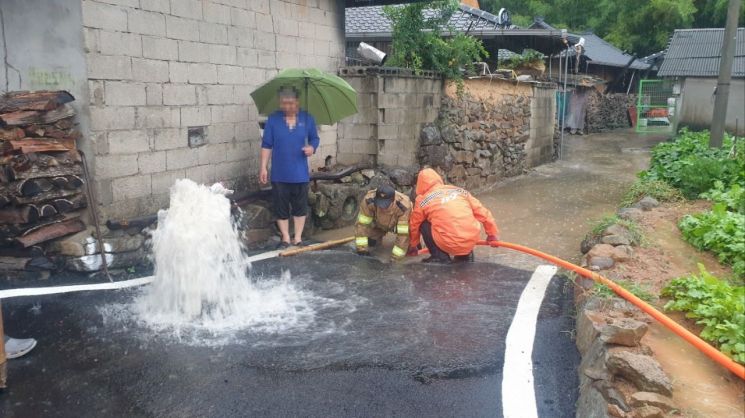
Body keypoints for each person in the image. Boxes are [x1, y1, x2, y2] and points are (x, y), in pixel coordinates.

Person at [259, 86, 320, 249]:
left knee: (300, 207)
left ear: (297, 102)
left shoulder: (308, 119)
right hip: (280, 173)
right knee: (281, 207)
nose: (287, 107)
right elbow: (267, 145)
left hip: (300, 174)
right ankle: (285, 238)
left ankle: (298, 238)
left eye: (290, 103)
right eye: (284, 103)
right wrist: (263, 167)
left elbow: (315, 139)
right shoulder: (273, 120)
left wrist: (312, 148)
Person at [408, 168, 500, 263]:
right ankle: (465, 255)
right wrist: (492, 234)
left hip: (448, 242)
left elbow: (414, 225)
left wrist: (414, 245)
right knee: (462, 215)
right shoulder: (459, 191)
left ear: (420, 185)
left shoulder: (422, 200)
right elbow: (484, 213)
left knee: (423, 223)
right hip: (471, 240)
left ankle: (439, 256)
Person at [355, 185, 412, 261]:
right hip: (379, 223)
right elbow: (361, 225)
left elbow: (403, 235)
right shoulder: (368, 200)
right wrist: (362, 250)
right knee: (371, 242)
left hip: (396, 225)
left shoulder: (403, 206)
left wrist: (395, 259)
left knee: (407, 244)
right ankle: (377, 235)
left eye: (385, 204)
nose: (382, 208)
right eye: (379, 203)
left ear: (392, 200)